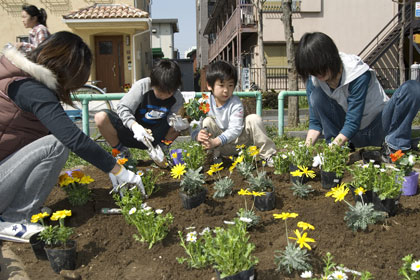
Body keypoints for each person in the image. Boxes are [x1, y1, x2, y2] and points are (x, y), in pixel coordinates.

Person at [0, 31, 144, 243]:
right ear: (65, 70)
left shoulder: (20, 79)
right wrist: (116, 169)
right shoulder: (30, 89)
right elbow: (71, 137)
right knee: (57, 144)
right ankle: (13, 217)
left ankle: (19, 208)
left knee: (53, 141)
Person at [295, 32, 420, 162]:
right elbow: (315, 123)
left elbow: (352, 122)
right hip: (349, 137)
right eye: (312, 71)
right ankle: (340, 149)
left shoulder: (356, 72)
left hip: (380, 126)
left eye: (319, 68)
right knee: (317, 96)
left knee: (412, 88)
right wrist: (304, 151)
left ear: (330, 58)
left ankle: (394, 147)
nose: (317, 74)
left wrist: (328, 152)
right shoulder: (314, 79)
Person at [94, 59, 188, 162]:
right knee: (100, 118)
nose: (164, 97)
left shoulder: (177, 96)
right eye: (161, 92)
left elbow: (173, 117)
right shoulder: (142, 86)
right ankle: (121, 151)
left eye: (169, 93)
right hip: (132, 132)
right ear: (153, 84)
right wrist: (134, 126)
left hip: (156, 135)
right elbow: (123, 108)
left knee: (182, 119)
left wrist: (178, 122)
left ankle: (161, 151)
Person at [192, 60, 276, 166]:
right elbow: (194, 124)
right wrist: (197, 135)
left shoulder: (235, 103)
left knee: (254, 119)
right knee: (207, 122)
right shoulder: (203, 102)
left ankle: (268, 155)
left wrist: (216, 141)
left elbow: (235, 129)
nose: (226, 90)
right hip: (216, 147)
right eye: (221, 85)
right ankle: (213, 157)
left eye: (230, 85)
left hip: (238, 143)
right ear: (209, 86)